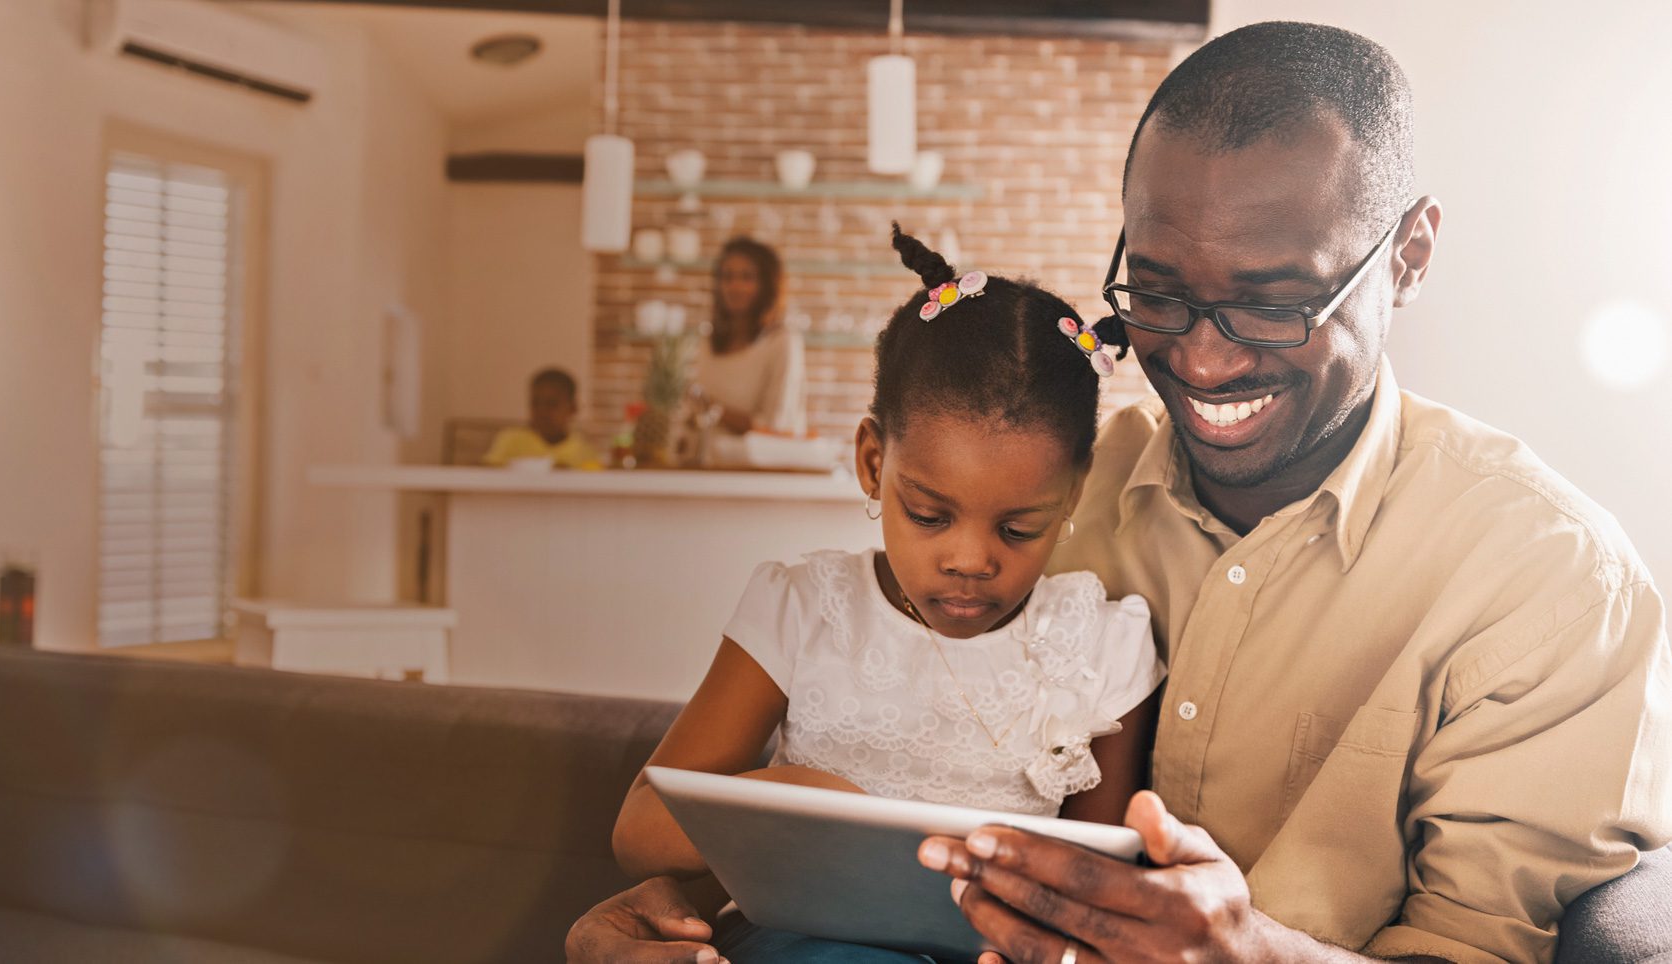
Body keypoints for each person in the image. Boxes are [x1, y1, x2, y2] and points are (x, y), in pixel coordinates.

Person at [566, 21, 1671, 964]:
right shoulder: (1049, 485)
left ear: (1410, 255)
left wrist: (1252, 952)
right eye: (1156, 291)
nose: (1200, 356)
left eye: (1273, 300)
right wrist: (679, 910)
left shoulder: (1551, 579)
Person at [610, 226, 1165, 962]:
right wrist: (799, 800)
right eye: (930, 516)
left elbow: (1097, 882)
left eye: (1019, 529)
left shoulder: (1102, 645)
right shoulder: (804, 610)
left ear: (1072, 497)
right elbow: (638, 831)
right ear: (873, 463)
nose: (970, 560)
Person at [688, 237, 807, 443]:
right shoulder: (708, 343)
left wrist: (714, 410)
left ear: (767, 285)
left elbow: (776, 425)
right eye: (727, 277)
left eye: (747, 277)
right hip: (707, 467)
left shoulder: (782, 342)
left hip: (758, 471)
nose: (735, 286)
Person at [481, 367, 601, 469]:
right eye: (535, 403)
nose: (542, 411)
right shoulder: (511, 440)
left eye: (552, 404)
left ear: (573, 408)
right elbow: (486, 473)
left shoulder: (584, 452)